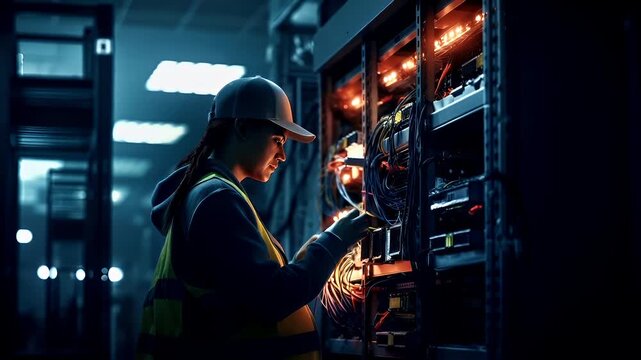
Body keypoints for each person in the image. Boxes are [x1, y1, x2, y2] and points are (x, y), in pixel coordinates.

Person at [137, 75, 369, 360]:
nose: (283, 155)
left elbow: (246, 295)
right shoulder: (216, 200)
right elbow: (271, 299)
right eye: (277, 140)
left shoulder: (207, 195)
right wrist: (334, 242)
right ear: (242, 128)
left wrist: (314, 252)